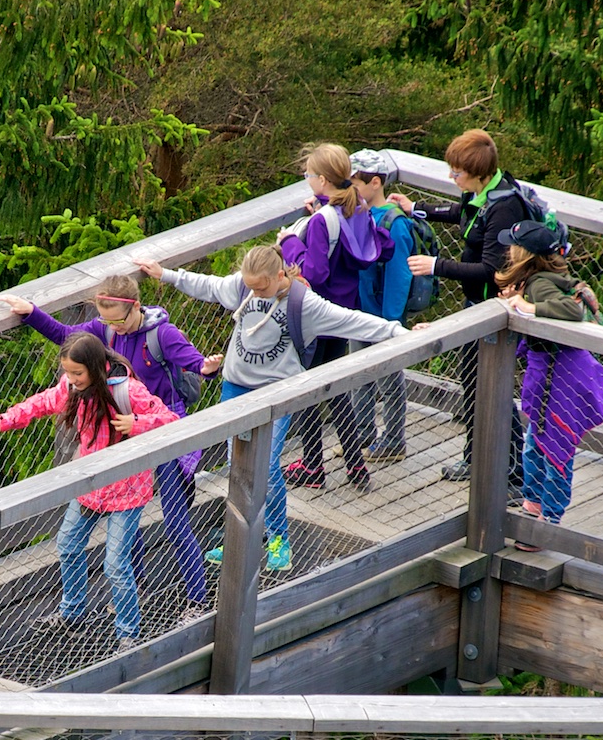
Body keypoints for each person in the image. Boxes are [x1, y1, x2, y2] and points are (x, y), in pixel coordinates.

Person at [135, 245, 407, 573]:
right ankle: (239, 536)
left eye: (261, 286)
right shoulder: (242, 287)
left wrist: (395, 331)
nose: (254, 292)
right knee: (237, 463)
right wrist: (167, 274)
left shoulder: (302, 303)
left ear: (280, 275)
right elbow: (208, 286)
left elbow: (349, 321)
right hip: (235, 388)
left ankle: (278, 538)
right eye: (249, 285)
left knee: (266, 464)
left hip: (277, 393)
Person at [2, 279, 210, 622]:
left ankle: (196, 599)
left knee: (175, 521)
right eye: (105, 321)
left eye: (117, 321)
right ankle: (134, 588)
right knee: (128, 522)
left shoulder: (161, 335)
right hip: (128, 440)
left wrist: (206, 368)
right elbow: (67, 337)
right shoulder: (104, 332)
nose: (110, 327)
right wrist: (32, 314)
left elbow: (191, 366)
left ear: (136, 306)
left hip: (159, 429)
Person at [0, 332, 176, 651]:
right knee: (68, 545)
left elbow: (170, 420)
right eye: (67, 373)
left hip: (127, 490)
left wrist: (136, 424)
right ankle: (73, 614)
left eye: (77, 373)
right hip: (90, 487)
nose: (71, 379)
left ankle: (128, 632)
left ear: (95, 369)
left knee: (115, 563)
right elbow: (42, 403)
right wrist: (5, 419)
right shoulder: (71, 388)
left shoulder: (128, 390)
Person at [392, 128, 536, 481]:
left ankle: (513, 471)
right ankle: (477, 458)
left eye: (457, 172)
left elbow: (491, 270)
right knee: (473, 384)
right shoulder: (487, 192)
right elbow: (463, 213)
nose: (451, 177)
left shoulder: (504, 207)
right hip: (476, 306)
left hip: (493, 312)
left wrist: (435, 266)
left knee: (492, 390)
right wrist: (417, 210)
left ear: (479, 173)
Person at [278, 143, 391, 492]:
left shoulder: (322, 221)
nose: (307, 179)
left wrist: (288, 243)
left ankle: (313, 465)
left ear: (323, 179)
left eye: (308, 175)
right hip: (345, 311)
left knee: (308, 386)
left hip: (316, 313)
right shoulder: (357, 207)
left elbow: (315, 271)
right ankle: (356, 466)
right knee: (336, 386)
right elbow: (381, 248)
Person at [494, 220, 603, 533]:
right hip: (553, 376)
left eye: (512, 245)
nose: (507, 249)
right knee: (535, 444)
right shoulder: (539, 280)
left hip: (559, 379)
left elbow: (571, 311)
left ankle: (550, 522)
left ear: (524, 254)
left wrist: (526, 306)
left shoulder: (538, 285)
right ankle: (534, 506)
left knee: (555, 449)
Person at [350, 149, 426, 461]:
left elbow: (399, 275)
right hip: (358, 312)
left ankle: (394, 440)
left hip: (383, 316)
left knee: (389, 378)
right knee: (358, 375)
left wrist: (391, 322)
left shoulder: (395, 223)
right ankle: (364, 434)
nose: (349, 190)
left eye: (354, 183)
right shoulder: (357, 213)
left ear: (375, 182)